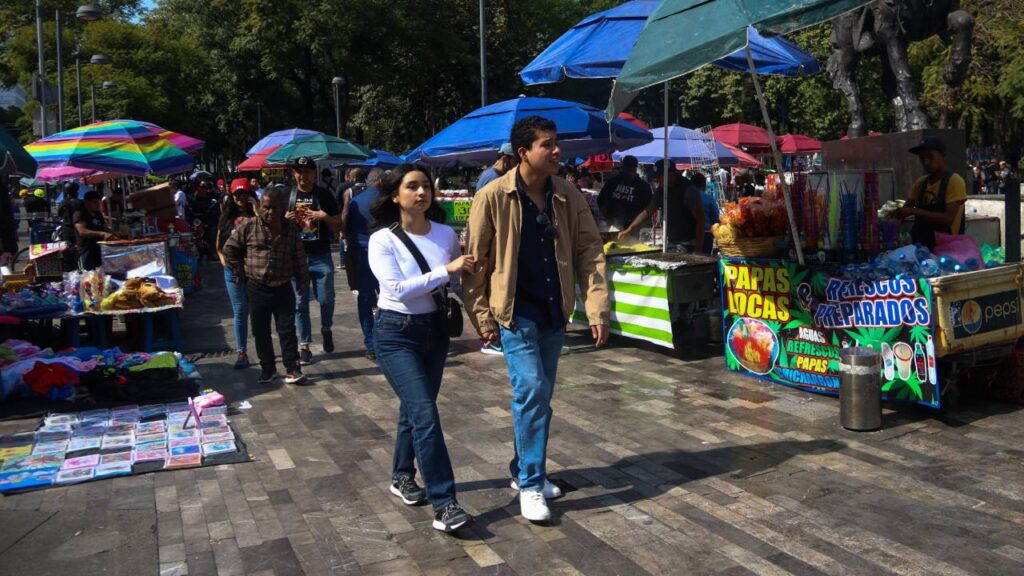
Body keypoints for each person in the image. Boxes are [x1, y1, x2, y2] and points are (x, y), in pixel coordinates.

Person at [465, 116, 609, 523]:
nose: (557, 151)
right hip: (515, 312)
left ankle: (524, 467)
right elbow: (476, 264)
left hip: (553, 311)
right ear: (523, 153)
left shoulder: (567, 194)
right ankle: (531, 483)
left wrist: (596, 308)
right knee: (530, 389)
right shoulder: (492, 197)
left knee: (541, 396)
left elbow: (589, 251)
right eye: (548, 144)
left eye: (557, 142)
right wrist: (481, 317)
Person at [367, 164, 476, 533]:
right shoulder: (383, 240)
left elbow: (457, 284)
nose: (421, 193)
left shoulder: (446, 233)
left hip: (434, 331)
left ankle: (400, 475)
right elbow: (397, 289)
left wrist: (484, 321)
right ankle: (445, 504)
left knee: (414, 411)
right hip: (395, 333)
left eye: (426, 186)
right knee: (425, 414)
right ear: (395, 195)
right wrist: (449, 269)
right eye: (412, 186)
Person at [223, 185, 309, 385]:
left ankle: (292, 368)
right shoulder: (249, 226)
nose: (270, 212)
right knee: (260, 331)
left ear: (282, 209)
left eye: (275, 208)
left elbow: (299, 257)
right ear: (260, 207)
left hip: (283, 286)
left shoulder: (290, 230)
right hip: (257, 287)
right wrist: (239, 270)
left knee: (286, 329)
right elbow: (229, 248)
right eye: (266, 207)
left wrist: (303, 280)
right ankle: (267, 369)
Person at [286, 156, 343, 363]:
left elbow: (338, 225)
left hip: (321, 255)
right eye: (299, 172)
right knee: (300, 303)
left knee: (326, 298)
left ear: (314, 174)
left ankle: (326, 327)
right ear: (294, 174)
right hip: (297, 258)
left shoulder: (324, 195)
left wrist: (323, 216)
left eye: (307, 171)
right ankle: (305, 345)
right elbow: (274, 226)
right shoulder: (288, 195)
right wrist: (285, 220)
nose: (303, 175)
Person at [896, 137, 967, 250]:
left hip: (946, 251)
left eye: (930, 156)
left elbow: (948, 218)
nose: (926, 162)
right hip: (920, 248)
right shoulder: (920, 183)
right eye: (922, 158)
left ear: (943, 155)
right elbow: (904, 211)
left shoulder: (954, 181)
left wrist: (914, 211)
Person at [618, 160, 705, 253]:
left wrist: (698, 248)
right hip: (672, 242)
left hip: (689, 244)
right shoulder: (661, 190)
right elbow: (647, 212)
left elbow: (701, 219)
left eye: (659, 178)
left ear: (670, 174)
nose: (658, 181)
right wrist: (628, 230)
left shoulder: (688, 190)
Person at [217, 178, 258, 370]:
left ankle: (262, 348)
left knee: (258, 311)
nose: (240, 197)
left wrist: (257, 211)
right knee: (240, 310)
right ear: (231, 196)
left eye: (244, 193)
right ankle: (241, 351)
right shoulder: (226, 217)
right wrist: (227, 264)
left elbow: (267, 235)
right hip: (232, 270)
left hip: (255, 270)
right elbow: (219, 246)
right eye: (237, 194)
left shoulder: (257, 214)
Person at [345, 168, 384, 360]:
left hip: (362, 255)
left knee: (365, 299)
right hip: (385, 256)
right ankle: (387, 339)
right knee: (388, 297)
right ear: (381, 182)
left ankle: (370, 342)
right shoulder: (387, 201)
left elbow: (348, 231)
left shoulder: (355, 202)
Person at [596, 156, 652, 231]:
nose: (630, 174)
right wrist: (608, 217)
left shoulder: (643, 186)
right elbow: (601, 200)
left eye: (633, 171)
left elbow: (648, 208)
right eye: (628, 171)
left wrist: (635, 223)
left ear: (636, 169)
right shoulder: (612, 183)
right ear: (622, 169)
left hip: (634, 228)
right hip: (614, 225)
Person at [74, 190, 118, 270]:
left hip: (99, 250)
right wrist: (102, 234)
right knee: (89, 276)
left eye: (98, 202)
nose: (98, 204)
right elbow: (82, 231)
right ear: (86, 202)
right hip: (86, 250)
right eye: (95, 202)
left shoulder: (98, 214)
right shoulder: (80, 213)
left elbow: (104, 228)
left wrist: (115, 234)